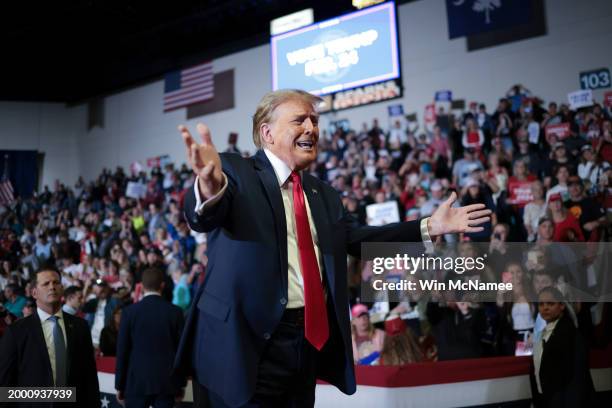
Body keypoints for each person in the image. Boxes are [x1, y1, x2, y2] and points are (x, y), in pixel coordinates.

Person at [174, 89, 491, 407]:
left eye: (314, 120)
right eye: (299, 120)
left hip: (304, 345)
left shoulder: (322, 194)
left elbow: (360, 240)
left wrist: (429, 227)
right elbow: (203, 213)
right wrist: (207, 186)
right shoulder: (234, 171)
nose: (311, 128)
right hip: (242, 346)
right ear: (267, 133)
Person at [0, 267, 100, 407]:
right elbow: (5, 385)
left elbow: (89, 376)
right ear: (34, 292)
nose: (52, 287)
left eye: (56, 283)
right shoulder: (16, 332)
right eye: (46, 284)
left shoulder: (80, 326)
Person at [116, 267, 186, 408]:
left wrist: (119, 385)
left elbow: (122, 351)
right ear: (162, 285)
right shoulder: (176, 313)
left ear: (141, 286)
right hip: (167, 383)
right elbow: (182, 351)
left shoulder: (129, 312)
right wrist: (181, 384)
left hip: (136, 383)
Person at [530, 287, 595, 407]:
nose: (545, 307)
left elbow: (577, 377)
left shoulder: (571, 333)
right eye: (541, 304)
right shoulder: (541, 334)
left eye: (550, 303)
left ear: (561, 306)